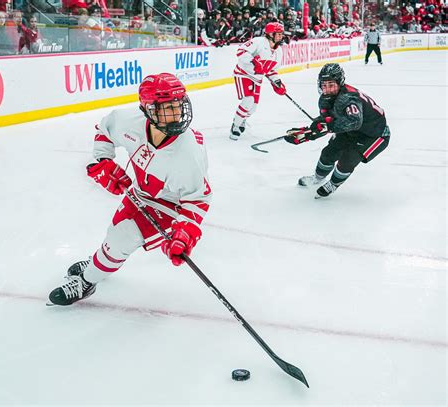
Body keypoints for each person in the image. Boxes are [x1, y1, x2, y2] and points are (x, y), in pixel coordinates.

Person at [48, 73, 213, 306]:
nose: (176, 114)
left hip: (169, 204)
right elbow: (104, 129)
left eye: (178, 105)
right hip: (140, 193)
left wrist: (185, 231)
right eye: (167, 108)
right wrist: (103, 162)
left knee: (121, 238)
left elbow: (198, 198)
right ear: (148, 110)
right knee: (114, 236)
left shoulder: (188, 155)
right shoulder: (128, 121)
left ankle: (86, 282)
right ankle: (98, 263)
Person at [284, 63, 390, 198]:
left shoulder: (349, 98)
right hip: (351, 130)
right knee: (328, 153)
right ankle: (317, 178)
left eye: (331, 85)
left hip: (375, 135)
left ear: (340, 83)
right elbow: (328, 120)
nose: (327, 89)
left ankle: (333, 184)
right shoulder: (325, 99)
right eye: (324, 85)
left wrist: (326, 127)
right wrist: (309, 132)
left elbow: (354, 121)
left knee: (348, 159)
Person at [230, 21, 287, 140]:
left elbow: (271, 70)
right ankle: (235, 126)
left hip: (257, 78)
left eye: (282, 34)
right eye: (279, 33)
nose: (281, 36)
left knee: (253, 107)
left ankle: (242, 119)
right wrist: (253, 61)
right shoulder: (258, 42)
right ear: (271, 34)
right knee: (248, 100)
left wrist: (277, 82)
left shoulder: (279, 52)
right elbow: (240, 51)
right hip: (244, 73)